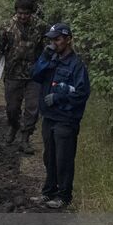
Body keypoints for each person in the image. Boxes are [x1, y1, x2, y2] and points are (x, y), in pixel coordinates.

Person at [29, 23, 91, 210]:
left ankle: (64, 196)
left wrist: (58, 97)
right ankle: (48, 192)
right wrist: (44, 57)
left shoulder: (76, 65)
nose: (53, 43)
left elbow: (82, 93)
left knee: (63, 158)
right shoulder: (51, 59)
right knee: (49, 157)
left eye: (57, 39)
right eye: (51, 40)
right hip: (49, 117)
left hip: (66, 118)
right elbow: (35, 75)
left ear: (68, 39)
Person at [0, 0, 44, 155]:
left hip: (34, 74)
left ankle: (25, 138)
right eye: (20, 13)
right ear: (16, 11)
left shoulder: (41, 26)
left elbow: (47, 47)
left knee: (32, 107)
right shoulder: (7, 27)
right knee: (12, 108)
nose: (23, 16)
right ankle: (13, 126)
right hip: (13, 73)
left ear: (31, 13)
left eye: (26, 13)